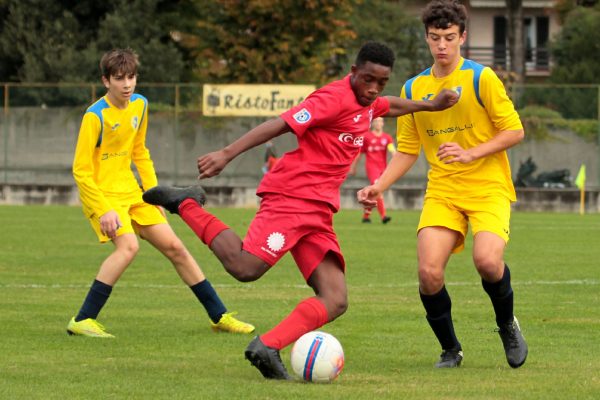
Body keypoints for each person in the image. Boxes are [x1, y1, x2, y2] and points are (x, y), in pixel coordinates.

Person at [143, 41, 458, 379]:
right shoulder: (331, 99)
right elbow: (278, 124)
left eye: (381, 82)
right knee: (245, 267)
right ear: (353, 72)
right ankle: (186, 203)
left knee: (335, 299)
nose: (373, 89)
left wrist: (429, 105)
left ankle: (266, 347)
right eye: (368, 79)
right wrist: (226, 153)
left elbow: (388, 105)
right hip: (292, 197)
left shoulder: (368, 102)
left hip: (319, 211)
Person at [357, 0, 528, 369]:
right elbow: (407, 151)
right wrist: (379, 185)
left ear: (463, 37)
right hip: (444, 190)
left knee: (487, 261)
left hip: (488, 187)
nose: (442, 46)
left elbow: (514, 130)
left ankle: (506, 324)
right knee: (428, 272)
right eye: (435, 38)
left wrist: (471, 153)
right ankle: (451, 349)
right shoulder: (414, 87)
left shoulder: (482, 78)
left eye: (450, 37)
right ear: (426, 38)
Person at [67, 48, 254, 338]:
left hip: (134, 193)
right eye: (119, 79)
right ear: (106, 81)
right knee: (129, 247)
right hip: (105, 197)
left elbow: (140, 152)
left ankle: (220, 316)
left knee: (176, 248)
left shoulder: (140, 105)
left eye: (131, 77)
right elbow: (80, 170)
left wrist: (155, 194)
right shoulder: (94, 116)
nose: (127, 84)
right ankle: (82, 319)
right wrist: (103, 209)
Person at [349, 117, 396, 223]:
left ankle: (366, 216)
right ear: (372, 123)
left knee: (373, 193)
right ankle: (384, 216)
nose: (378, 123)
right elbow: (359, 153)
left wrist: (396, 157)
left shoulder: (387, 138)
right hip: (372, 168)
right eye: (376, 121)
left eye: (380, 121)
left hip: (383, 168)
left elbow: (393, 150)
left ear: (383, 123)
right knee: (378, 190)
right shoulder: (367, 137)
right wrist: (353, 167)